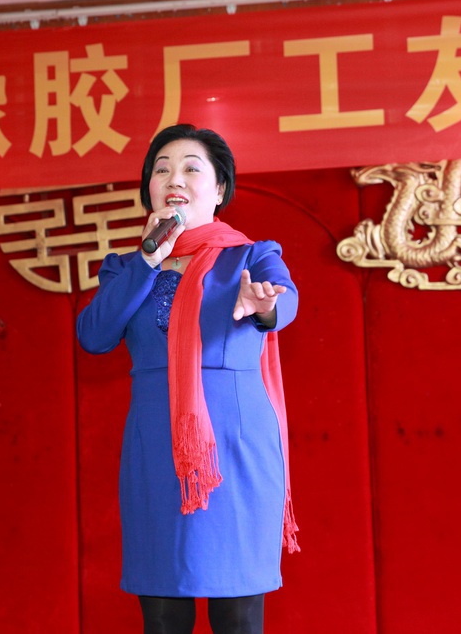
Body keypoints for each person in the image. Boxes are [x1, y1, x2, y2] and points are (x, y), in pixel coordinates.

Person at [76, 124, 300, 634]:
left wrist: (265, 305)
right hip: (156, 447)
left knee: (237, 615)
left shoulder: (252, 255)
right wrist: (148, 261)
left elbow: (285, 301)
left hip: (237, 449)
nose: (174, 178)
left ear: (219, 189)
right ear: (149, 189)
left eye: (191, 168)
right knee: (163, 613)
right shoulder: (126, 267)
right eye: (162, 170)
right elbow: (93, 335)